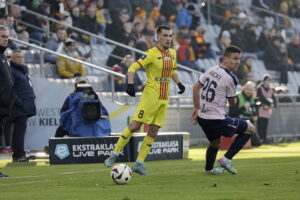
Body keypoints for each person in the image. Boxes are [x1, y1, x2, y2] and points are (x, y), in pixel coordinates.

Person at [104, 24, 186, 175]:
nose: (168, 38)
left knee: (153, 132)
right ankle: (114, 154)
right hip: (150, 97)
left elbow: (172, 70)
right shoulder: (150, 53)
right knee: (135, 126)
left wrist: (179, 83)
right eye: (165, 35)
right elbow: (132, 68)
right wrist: (130, 84)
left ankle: (139, 163)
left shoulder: (173, 53)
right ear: (158, 37)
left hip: (164, 98)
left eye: (170, 35)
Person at [190, 46, 256, 175]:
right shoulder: (230, 78)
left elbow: (195, 87)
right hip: (216, 119)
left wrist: (196, 108)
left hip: (202, 117)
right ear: (225, 59)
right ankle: (226, 159)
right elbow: (232, 103)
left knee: (215, 143)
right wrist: (233, 97)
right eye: (235, 58)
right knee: (250, 128)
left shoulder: (212, 69)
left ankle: (208, 170)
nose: (238, 62)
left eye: (239, 59)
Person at [10, 50, 36, 162]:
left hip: (25, 106)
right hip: (18, 107)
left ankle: (19, 153)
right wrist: (20, 102)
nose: (20, 59)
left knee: (20, 130)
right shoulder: (12, 71)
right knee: (19, 130)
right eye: (17, 57)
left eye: (21, 57)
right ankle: (19, 155)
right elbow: (10, 89)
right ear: (12, 59)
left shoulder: (22, 71)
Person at [228, 81, 261, 146]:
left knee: (257, 143)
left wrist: (255, 117)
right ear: (243, 88)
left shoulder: (253, 99)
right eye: (247, 89)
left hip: (248, 126)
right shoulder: (236, 97)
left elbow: (254, 113)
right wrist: (243, 108)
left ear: (253, 91)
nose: (249, 91)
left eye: (251, 90)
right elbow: (231, 113)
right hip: (237, 125)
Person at [0, 25, 13, 178]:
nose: (5, 39)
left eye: (7, 37)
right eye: (2, 36)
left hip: (3, 106)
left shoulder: (3, 56)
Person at [256, 74, 276, 144]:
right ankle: (260, 139)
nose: (267, 82)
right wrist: (269, 104)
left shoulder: (271, 89)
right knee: (260, 125)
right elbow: (260, 98)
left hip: (267, 110)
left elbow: (274, 100)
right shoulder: (259, 88)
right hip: (261, 109)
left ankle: (264, 139)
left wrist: (271, 105)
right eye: (266, 80)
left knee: (265, 125)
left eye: (269, 80)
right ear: (264, 81)